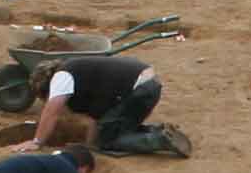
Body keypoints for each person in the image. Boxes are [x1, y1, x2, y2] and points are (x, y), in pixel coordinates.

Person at [28, 50, 169, 154]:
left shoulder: (62, 76)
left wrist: (37, 142)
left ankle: (159, 139)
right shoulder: (82, 81)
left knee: (108, 142)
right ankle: (158, 131)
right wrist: (89, 147)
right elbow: (96, 122)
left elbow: (52, 111)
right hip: (148, 86)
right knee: (113, 129)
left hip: (141, 89)